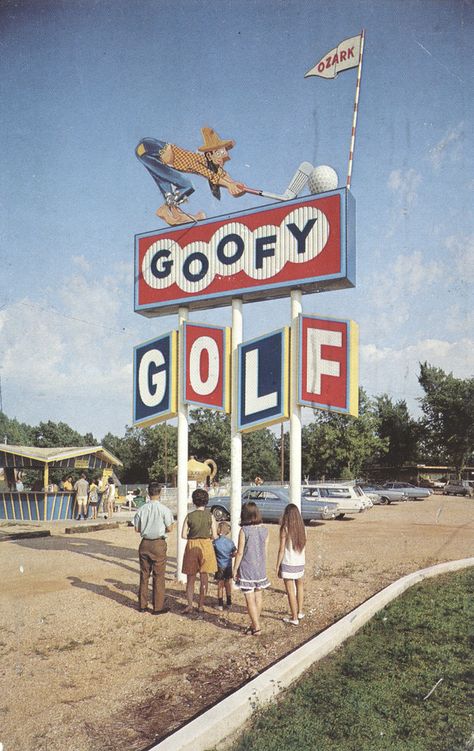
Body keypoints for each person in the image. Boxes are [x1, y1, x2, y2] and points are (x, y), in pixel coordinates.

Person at [135, 127, 246, 226]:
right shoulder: (198, 160)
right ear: (209, 154)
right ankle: (166, 209)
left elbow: (221, 174)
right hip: (148, 148)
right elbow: (211, 175)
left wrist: (233, 183)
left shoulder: (208, 162)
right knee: (186, 185)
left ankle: (175, 213)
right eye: (219, 156)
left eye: (223, 159)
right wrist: (229, 185)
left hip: (150, 153)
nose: (221, 162)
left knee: (165, 181)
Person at [134, 482, 175, 614]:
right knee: (159, 575)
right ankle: (158, 606)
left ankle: (142, 604)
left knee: (144, 574)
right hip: (158, 543)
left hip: (144, 543)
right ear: (160, 493)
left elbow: (136, 528)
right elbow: (170, 528)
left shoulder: (141, 509)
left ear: (148, 493)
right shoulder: (165, 510)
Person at [233, 502, 270, 636]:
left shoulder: (244, 530)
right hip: (260, 566)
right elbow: (265, 550)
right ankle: (254, 624)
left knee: (249, 598)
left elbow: (240, 552)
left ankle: (257, 627)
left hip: (247, 567)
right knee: (258, 596)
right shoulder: (265, 530)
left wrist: (234, 568)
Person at [181, 488, 218, 613]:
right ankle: (201, 605)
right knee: (204, 576)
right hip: (206, 544)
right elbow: (215, 535)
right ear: (206, 501)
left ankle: (190, 604)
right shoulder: (210, 516)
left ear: (194, 501)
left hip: (192, 544)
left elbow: (183, 535)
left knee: (190, 577)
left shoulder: (190, 516)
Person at [276, 504, 306, 626]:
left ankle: (294, 617)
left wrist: (277, 565)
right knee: (299, 587)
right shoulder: (303, 528)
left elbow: (282, 549)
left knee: (290, 591)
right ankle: (299, 612)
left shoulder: (285, 528)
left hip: (289, 562)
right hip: (300, 562)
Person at [213, 521, 237, 611]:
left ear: (219, 531)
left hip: (219, 565)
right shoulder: (230, 542)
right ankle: (229, 602)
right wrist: (230, 556)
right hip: (228, 565)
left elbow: (212, 553)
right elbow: (235, 552)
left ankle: (220, 604)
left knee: (220, 585)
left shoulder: (215, 542)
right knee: (228, 584)